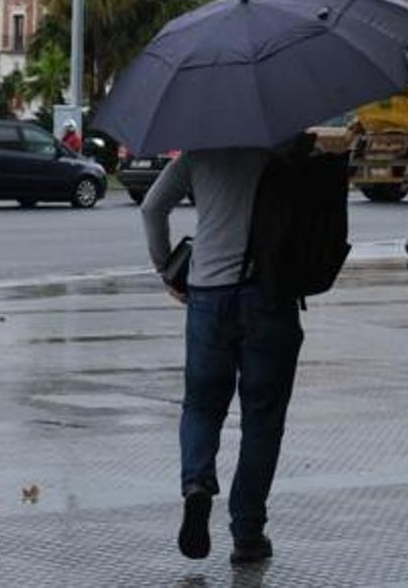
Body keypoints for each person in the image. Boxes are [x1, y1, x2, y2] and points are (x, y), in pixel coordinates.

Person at [140, 147, 302, 566]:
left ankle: (197, 483)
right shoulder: (278, 152)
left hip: (208, 296)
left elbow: (152, 208)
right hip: (268, 296)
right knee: (263, 419)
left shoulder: (198, 155)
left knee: (201, 405)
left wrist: (165, 266)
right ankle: (248, 534)